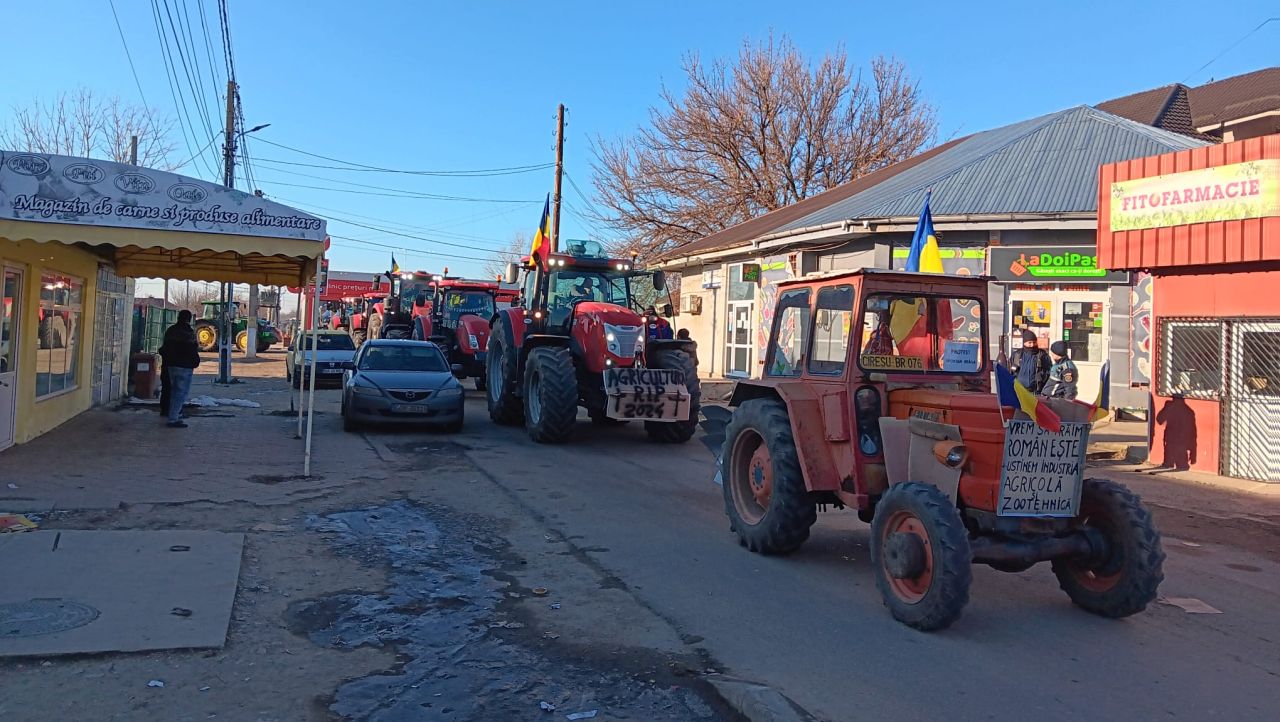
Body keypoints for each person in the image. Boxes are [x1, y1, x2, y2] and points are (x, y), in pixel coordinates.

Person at [159, 309, 200, 428]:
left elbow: (164, 348)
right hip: (184, 366)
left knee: (172, 391)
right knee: (180, 393)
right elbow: (192, 349)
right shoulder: (188, 332)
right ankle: (174, 418)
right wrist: (195, 362)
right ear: (189, 319)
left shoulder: (171, 330)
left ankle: (172, 413)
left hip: (170, 365)